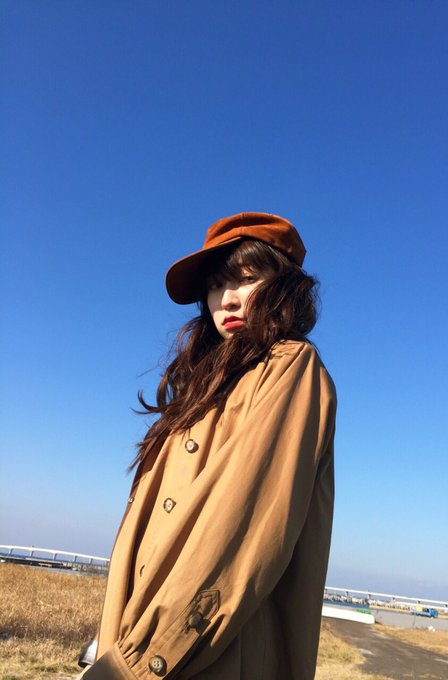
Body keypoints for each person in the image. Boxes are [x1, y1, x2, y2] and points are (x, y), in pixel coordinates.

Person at [79, 212, 337, 680]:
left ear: (287, 287)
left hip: (210, 658)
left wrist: (135, 665)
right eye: (217, 286)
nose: (228, 299)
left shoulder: (291, 367)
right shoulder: (204, 386)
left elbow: (239, 532)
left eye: (248, 278)